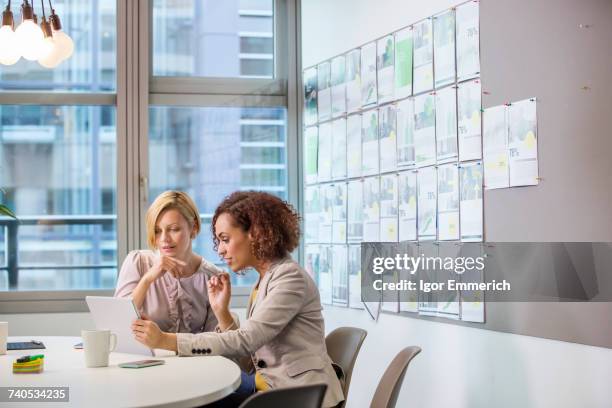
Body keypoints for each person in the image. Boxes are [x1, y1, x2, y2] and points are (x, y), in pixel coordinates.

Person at [131, 191, 344, 408]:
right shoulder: (264, 280)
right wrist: (221, 312)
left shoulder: (290, 278)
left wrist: (166, 340)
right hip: (269, 388)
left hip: (299, 397)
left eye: (225, 239)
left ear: (255, 233)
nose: (221, 250)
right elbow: (247, 361)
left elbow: (245, 340)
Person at [115, 190, 225, 334]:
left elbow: (216, 339)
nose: (164, 239)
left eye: (173, 229)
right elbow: (117, 321)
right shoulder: (138, 262)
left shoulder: (212, 276)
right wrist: (148, 279)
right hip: (144, 356)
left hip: (196, 357)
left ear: (194, 227)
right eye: (157, 231)